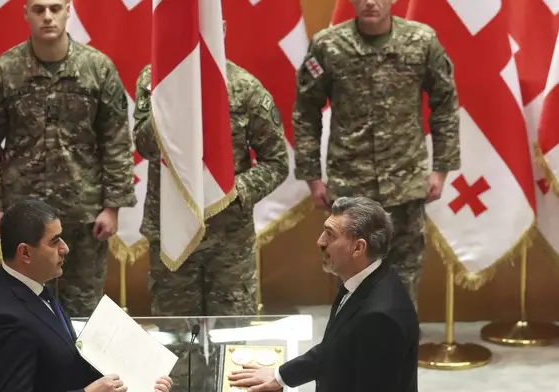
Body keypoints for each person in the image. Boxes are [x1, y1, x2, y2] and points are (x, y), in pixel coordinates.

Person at [0, 0, 137, 317]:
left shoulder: (98, 69)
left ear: (68, 10)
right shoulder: (4, 71)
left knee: (84, 313)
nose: (47, 16)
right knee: (26, 307)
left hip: (84, 214)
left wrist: (112, 207)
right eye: (38, 9)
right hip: (24, 217)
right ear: (26, 13)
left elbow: (116, 140)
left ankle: (85, 369)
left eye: (55, 8)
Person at [292, 0, 460, 310]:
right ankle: (353, 355)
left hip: (405, 184)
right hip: (349, 189)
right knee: (349, 285)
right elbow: (306, 111)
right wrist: (312, 177)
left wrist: (441, 169)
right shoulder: (328, 45)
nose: (371, 2)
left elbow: (445, 103)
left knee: (403, 286)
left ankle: (398, 355)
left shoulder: (421, 41)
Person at [132, 32, 289, 318]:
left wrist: (233, 189)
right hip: (172, 232)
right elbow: (144, 146)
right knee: (178, 345)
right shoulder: (154, 80)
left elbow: (277, 162)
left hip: (228, 242)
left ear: (222, 28)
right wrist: (173, 98)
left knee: (231, 343)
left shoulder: (245, 88)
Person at [0, 199, 172, 392]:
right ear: (25, 253)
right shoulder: (4, 321)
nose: (65, 248)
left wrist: (137, 372)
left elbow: (60, 357)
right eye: (54, 242)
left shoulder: (32, 283)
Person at [228, 196, 419, 392]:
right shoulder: (365, 279)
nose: (320, 241)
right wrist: (280, 375)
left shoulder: (380, 318)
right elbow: (336, 347)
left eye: (330, 235)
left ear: (358, 247)